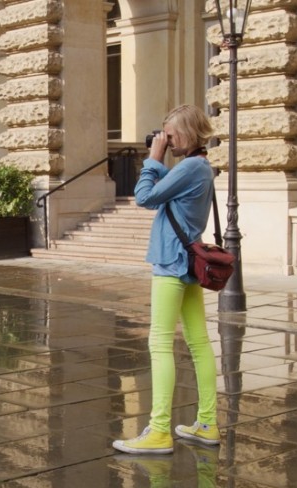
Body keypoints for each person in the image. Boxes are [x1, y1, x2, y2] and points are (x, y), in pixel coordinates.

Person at [113, 104, 220, 454]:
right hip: (187, 263)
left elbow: (144, 196)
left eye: (171, 135)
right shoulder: (200, 166)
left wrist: (153, 159)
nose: (166, 140)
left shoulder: (189, 167)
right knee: (199, 343)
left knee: (159, 344)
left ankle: (159, 430)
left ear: (189, 133)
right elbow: (166, 194)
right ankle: (207, 423)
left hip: (171, 263)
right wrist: (160, 161)